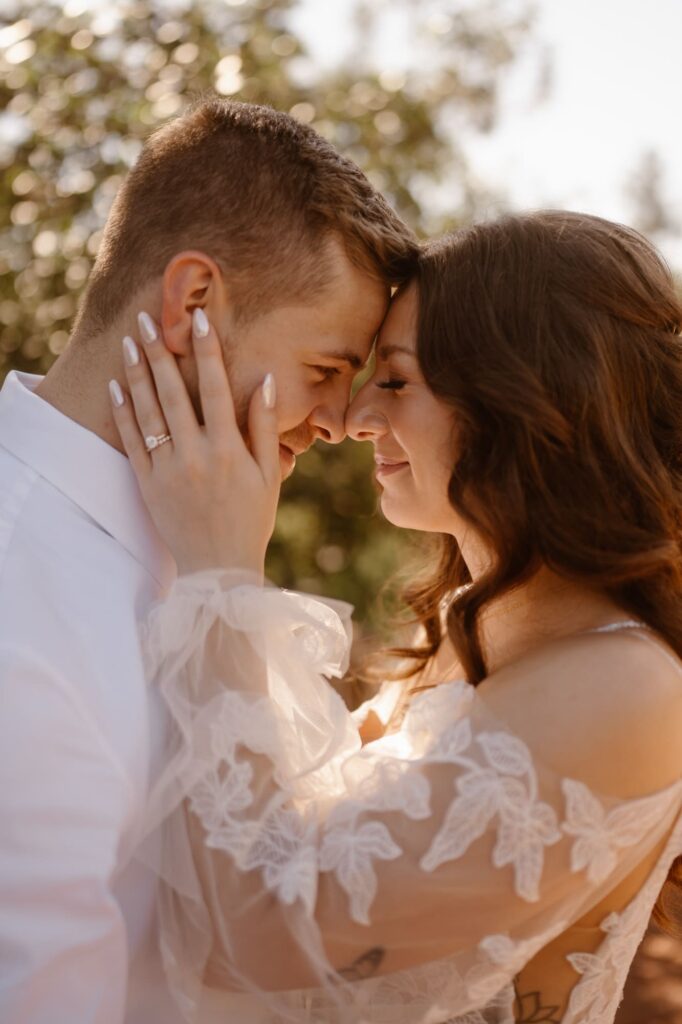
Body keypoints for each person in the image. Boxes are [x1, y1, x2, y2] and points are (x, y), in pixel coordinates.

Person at [110, 210, 682, 1023]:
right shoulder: (461, 635)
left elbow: (265, 936)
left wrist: (223, 577)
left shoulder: (628, 686)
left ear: (523, 397)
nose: (352, 420)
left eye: (398, 380)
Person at [0, 97, 417, 1024]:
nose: (344, 423)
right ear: (194, 303)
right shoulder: (15, 587)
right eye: (324, 369)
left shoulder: (206, 542)